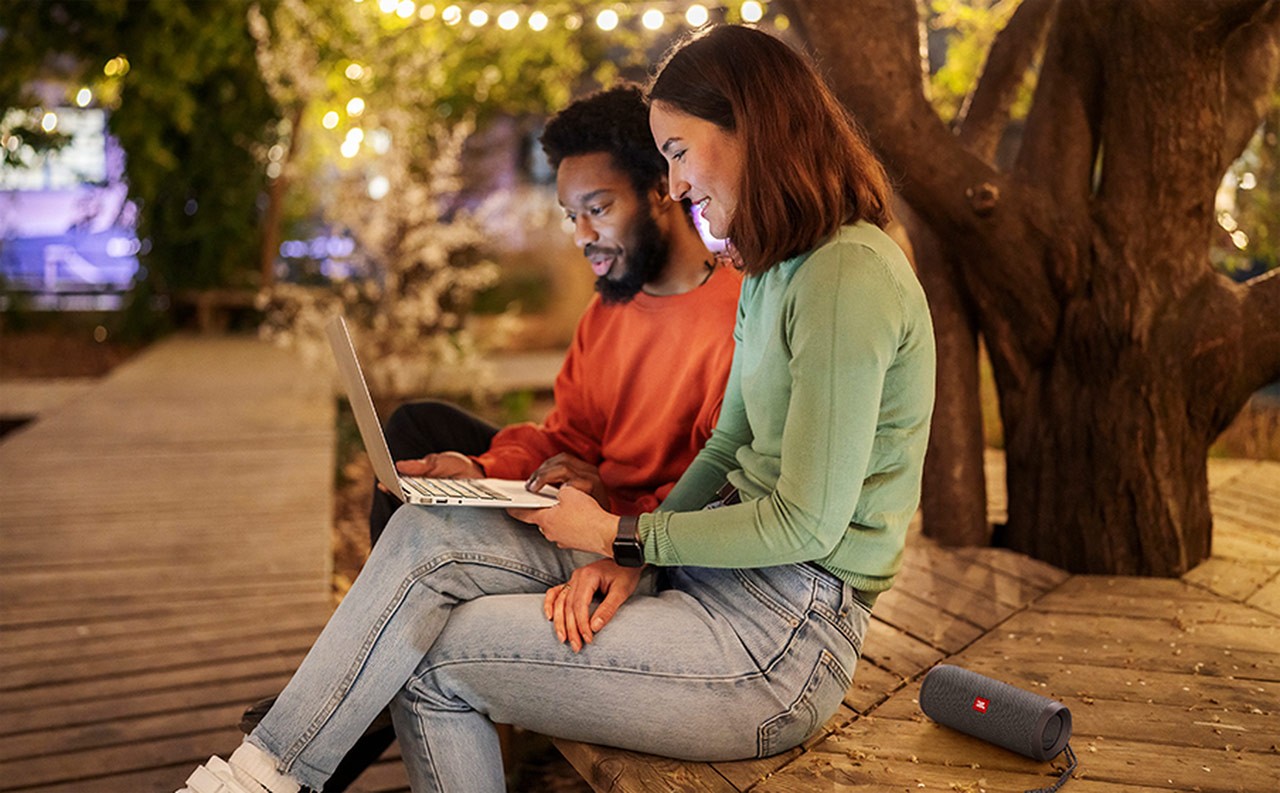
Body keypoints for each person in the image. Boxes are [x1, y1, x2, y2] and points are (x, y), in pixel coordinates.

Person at [178, 25, 935, 793]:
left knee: (432, 663)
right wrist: (625, 556)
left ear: (751, 126)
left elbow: (807, 522)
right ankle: (257, 777)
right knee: (422, 532)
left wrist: (618, 530)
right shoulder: (773, 269)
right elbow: (728, 446)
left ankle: (265, 776)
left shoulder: (846, 276)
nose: (674, 185)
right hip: (707, 577)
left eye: (676, 152)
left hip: (783, 639)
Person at [235, 82, 740, 791]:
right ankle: (293, 750)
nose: (583, 236)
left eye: (598, 209)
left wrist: (611, 507)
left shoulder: (734, 321)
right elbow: (567, 432)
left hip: (634, 559)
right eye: (571, 216)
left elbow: (714, 493)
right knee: (421, 459)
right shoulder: (612, 311)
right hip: (576, 526)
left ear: (664, 188)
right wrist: (475, 467)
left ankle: (282, 758)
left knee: (424, 543)